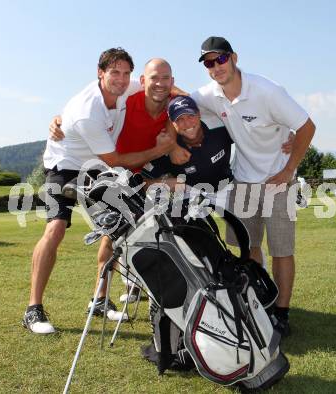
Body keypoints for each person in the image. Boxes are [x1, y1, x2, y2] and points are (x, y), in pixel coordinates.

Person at [22, 49, 175, 334]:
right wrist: (161, 149)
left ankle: (100, 300)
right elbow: (114, 160)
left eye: (126, 73)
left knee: (116, 228)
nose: (121, 79)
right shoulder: (87, 111)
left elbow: (166, 87)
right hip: (65, 165)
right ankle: (33, 309)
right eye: (114, 73)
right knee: (55, 228)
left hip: (95, 167)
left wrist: (186, 99)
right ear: (100, 73)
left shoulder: (126, 86)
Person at [192, 36, 316, 336]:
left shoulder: (267, 90)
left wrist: (288, 170)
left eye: (220, 59)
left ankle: (282, 314)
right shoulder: (210, 93)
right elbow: (176, 99)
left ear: (233, 57)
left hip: (277, 182)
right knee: (247, 249)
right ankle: (262, 303)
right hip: (242, 183)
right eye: (209, 63)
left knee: (282, 250)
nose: (215, 67)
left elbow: (307, 126)